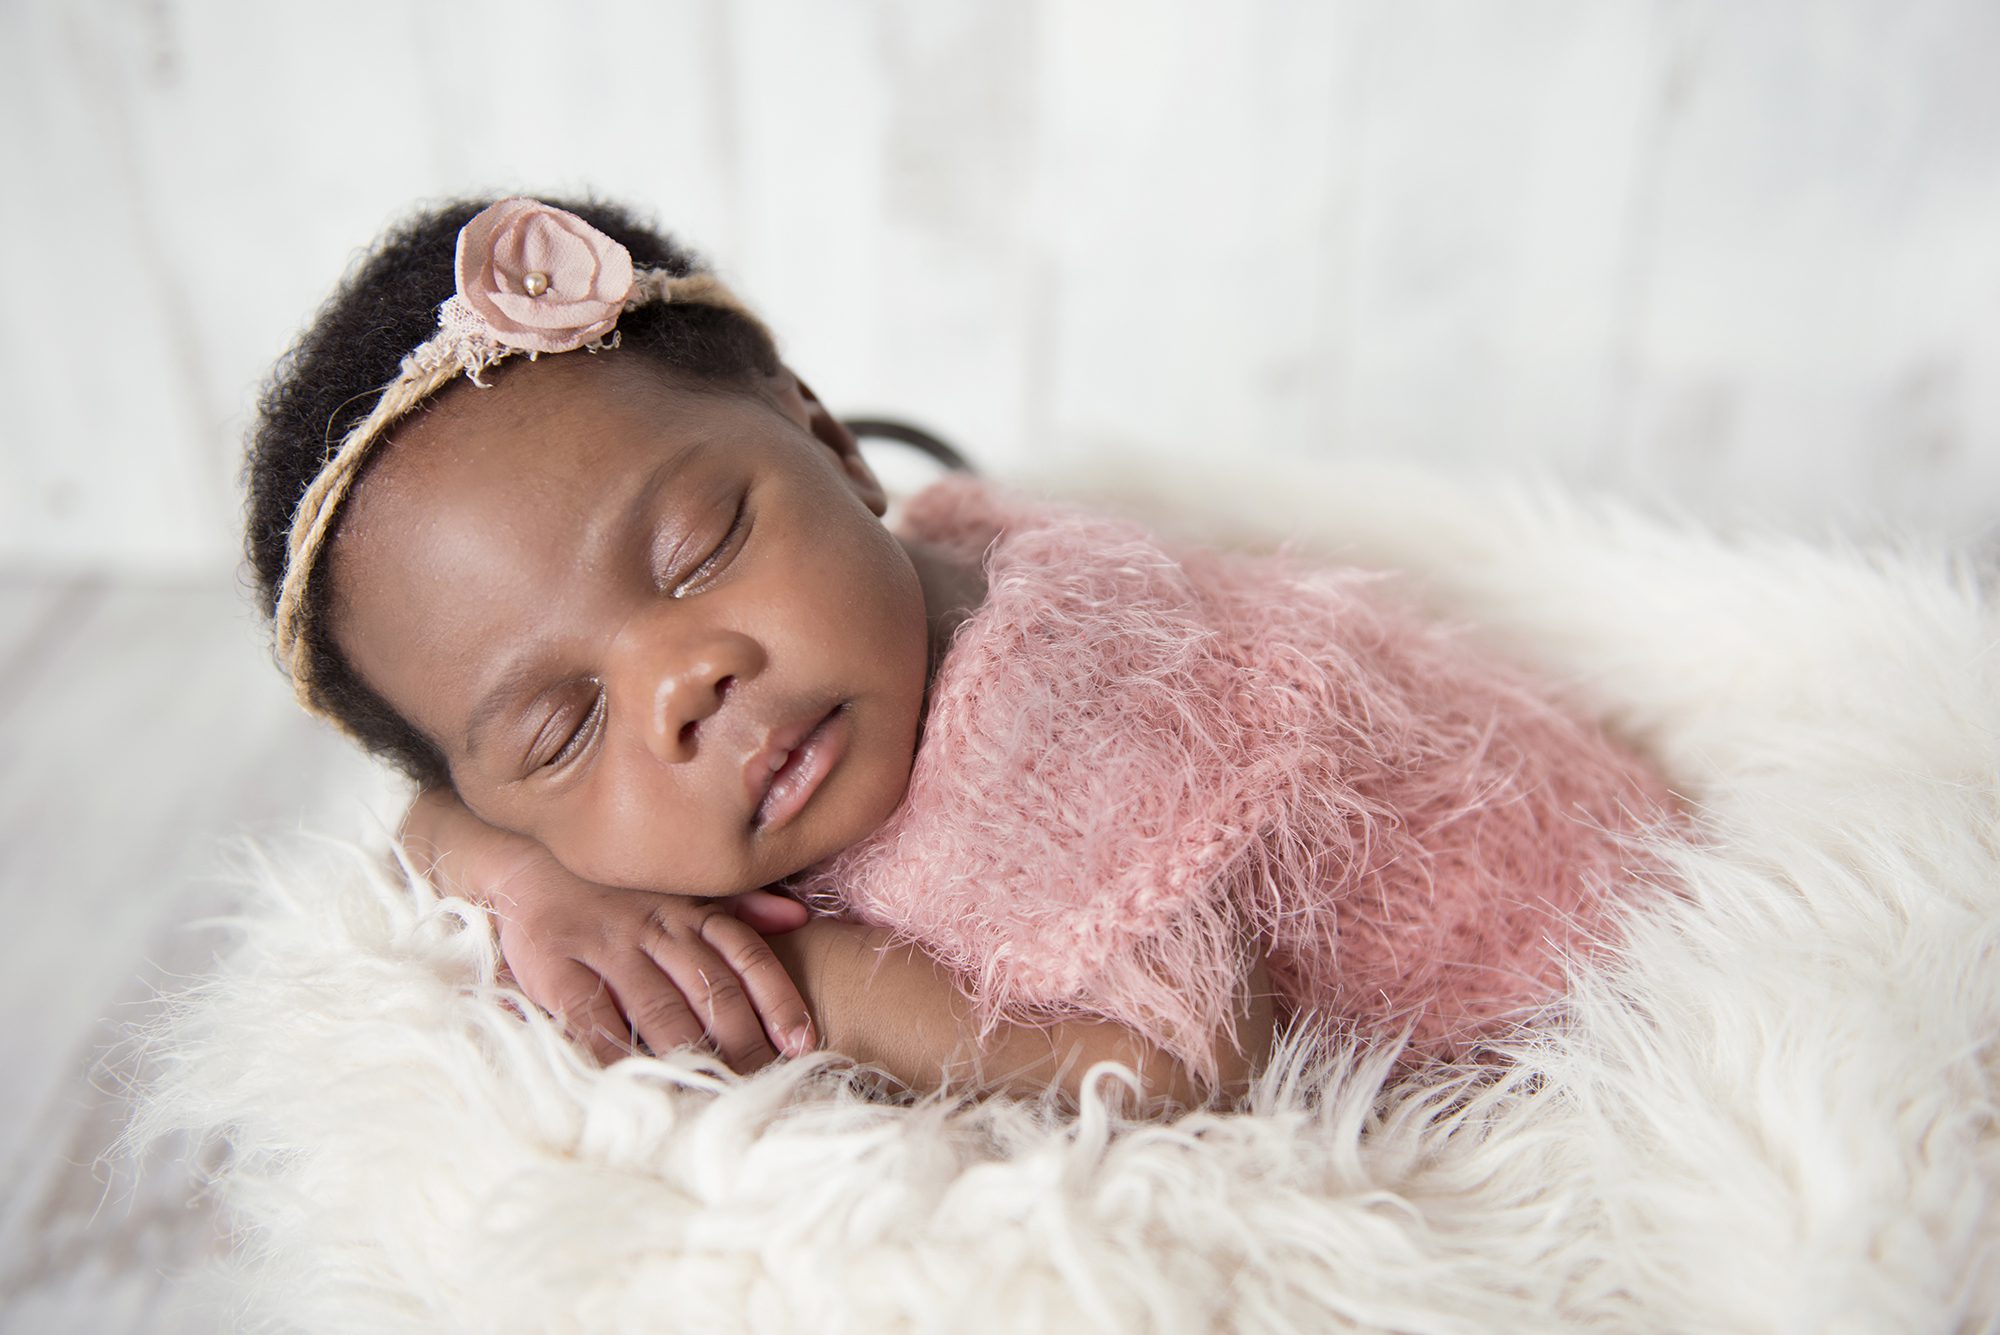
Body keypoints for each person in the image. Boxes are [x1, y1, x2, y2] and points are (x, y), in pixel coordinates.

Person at [245, 196, 1675, 1111]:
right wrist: (525, 878)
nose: (684, 685)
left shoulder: (1043, 715)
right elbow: (433, 807)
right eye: (564, 728)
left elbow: (1173, 1075)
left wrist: (802, 978)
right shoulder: (868, 626)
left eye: (697, 554)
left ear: (827, 442)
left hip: (1601, 1007)